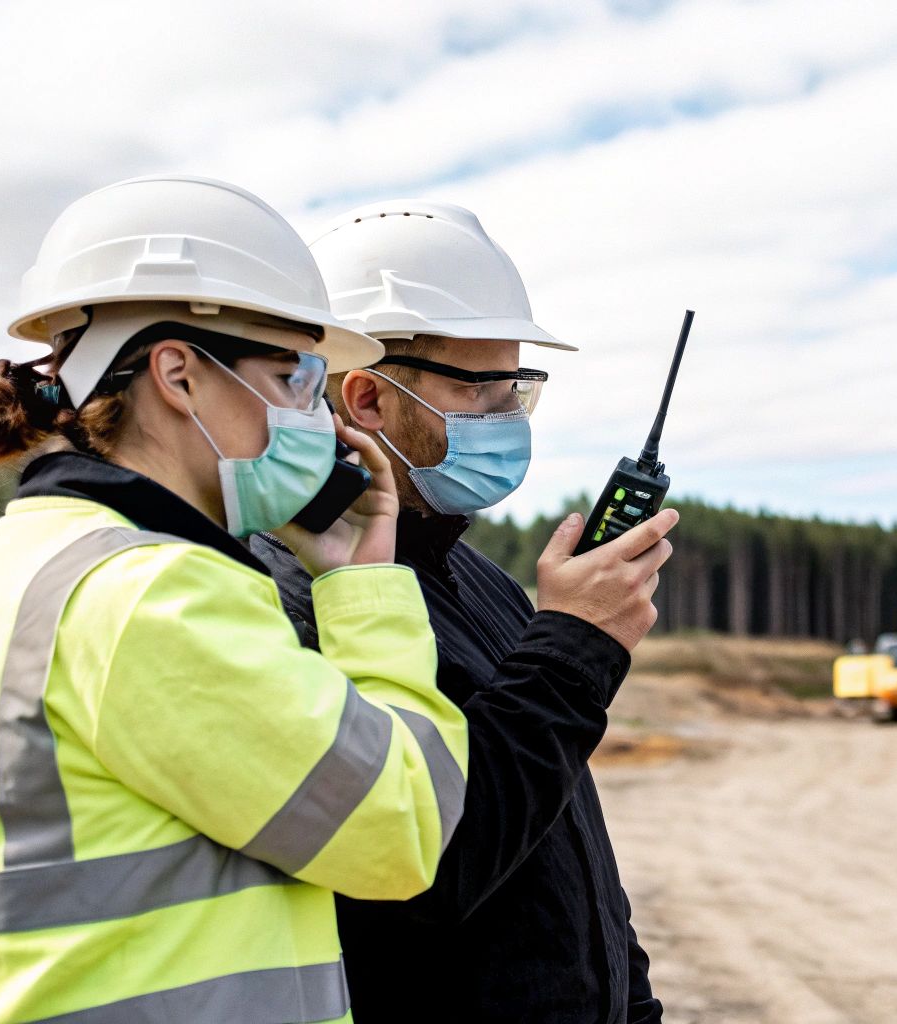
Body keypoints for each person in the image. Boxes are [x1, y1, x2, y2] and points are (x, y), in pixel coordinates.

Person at [0, 175, 468, 1023]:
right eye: (294, 375)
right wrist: (363, 585)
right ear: (179, 374)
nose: (317, 418)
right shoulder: (155, 594)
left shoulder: (4, 580)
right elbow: (401, 830)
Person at [250, 199, 671, 1022]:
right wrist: (574, 648)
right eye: (485, 390)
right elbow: (429, 870)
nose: (510, 417)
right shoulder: (289, 599)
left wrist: (633, 1005)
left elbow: (567, 847)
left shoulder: (479, 580)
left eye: (521, 390)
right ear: (367, 399)